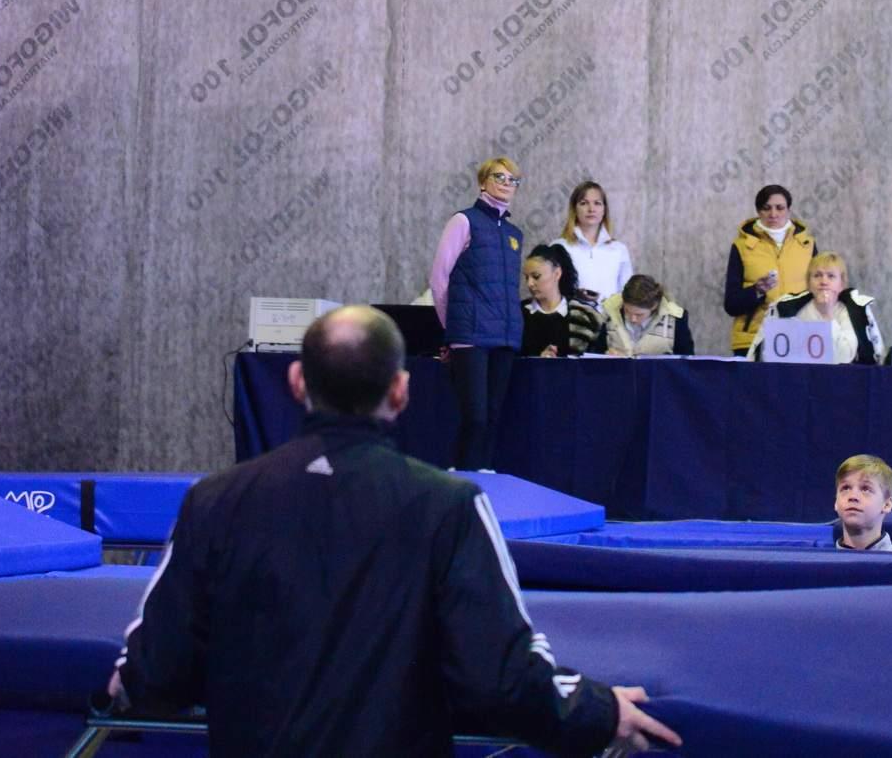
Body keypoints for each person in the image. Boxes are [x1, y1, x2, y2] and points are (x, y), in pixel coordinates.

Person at [107, 307, 679, 757]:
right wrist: (598, 711)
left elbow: (154, 670)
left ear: (297, 383)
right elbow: (498, 677)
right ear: (402, 391)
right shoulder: (448, 506)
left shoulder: (214, 502)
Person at [431, 157, 524, 468]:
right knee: (476, 416)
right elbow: (440, 277)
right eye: (500, 176)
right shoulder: (464, 221)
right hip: (469, 335)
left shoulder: (514, 234)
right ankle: (461, 481)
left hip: (505, 335)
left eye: (513, 180)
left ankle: (484, 477)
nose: (507, 184)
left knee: (494, 415)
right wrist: (452, 328)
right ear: (483, 182)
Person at [724, 184, 816, 356]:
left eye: (780, 208)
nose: (773, 214)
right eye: (766, 208)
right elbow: (731, 305)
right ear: (758, 211)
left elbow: (818, 293)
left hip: (800, 336)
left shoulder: (807, 245)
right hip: (753, 339)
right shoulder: (741, 246)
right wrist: (757, 291)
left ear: (789, 210)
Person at [750, 251, 884, 363]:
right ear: (809, 282)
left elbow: (844, 357)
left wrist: (827, 314)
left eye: (831, 276)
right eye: (817, 275)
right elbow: (762, 352)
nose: (824, 282)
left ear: (841, 283)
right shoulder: (786, 308)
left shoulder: (854, 311)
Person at [555, 180, 633, 309]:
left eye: (597, 203)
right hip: (571, 322)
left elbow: (627, 294)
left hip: (608, 324)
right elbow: (551, 293)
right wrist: (575, 295)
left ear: (604, 210)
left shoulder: (619, 249)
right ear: (575, 209)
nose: (591, 209)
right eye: (584, 203)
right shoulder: (559, 247)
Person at [520, 244, 601, 358]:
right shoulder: (518, 314)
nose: (529, 284)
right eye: (526, 277)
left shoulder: (585, 315)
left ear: (557, 273)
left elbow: (597, 362)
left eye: (536, 276)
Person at [598, 274, 695, 357]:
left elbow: (687, 364)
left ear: (654, 306)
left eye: (639, 315)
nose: (633, 319)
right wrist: (606, 356)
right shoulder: (609, 313)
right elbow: (594, 353)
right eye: (627, 311)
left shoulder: (676, 320)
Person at [832, 454, 892, 553]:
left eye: (866, 489)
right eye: (846, 488)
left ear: (887, 504)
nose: (853, 496)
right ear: (836, 502)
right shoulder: (818, 566)